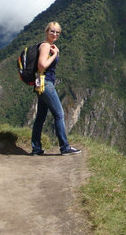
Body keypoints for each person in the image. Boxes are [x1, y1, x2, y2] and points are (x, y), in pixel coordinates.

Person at [30, 21, 81, 155]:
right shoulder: (46, 46)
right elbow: (42, 66)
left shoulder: (47, 46)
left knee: (40, 117)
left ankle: (36, 148)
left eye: (57, 32)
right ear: (46, 31)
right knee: (59, 114)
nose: (55, 34)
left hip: (41, 83)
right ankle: (64, 147)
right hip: (46, 84)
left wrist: (55, 52)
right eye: (52, 31)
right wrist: (54, 55)